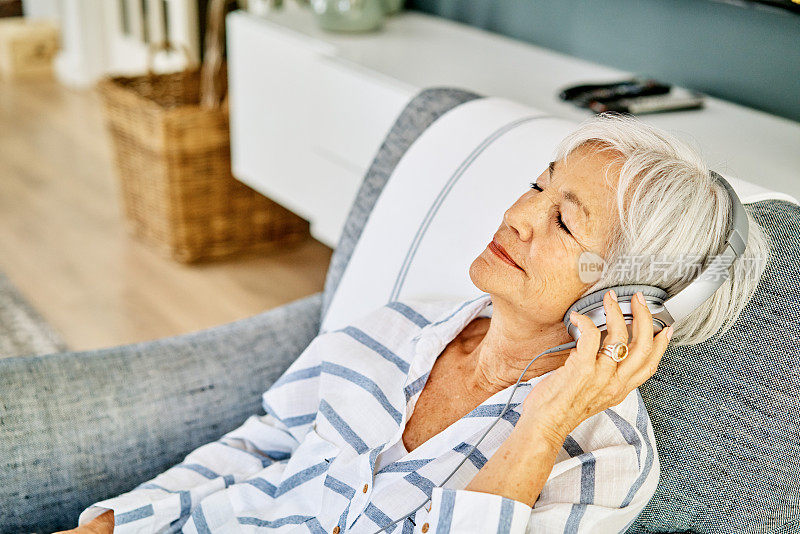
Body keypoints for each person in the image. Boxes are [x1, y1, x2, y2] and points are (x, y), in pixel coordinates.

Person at [61, 113, 768, 533]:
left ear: (632, 297)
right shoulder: (392, 330)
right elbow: (258, 447)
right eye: (537, 185)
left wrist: (542, 426)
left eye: (562, 220)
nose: (518, 216)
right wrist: (119, 519)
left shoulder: (602, 461)